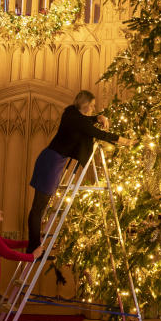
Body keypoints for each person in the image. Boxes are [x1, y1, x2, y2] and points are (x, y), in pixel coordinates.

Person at [27, 90, 133, 256]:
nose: (93, 108)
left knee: (40, 207)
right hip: (50, 163)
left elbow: (85, 120)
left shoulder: (71, 113)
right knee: (38, 207)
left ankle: (34, 247)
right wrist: (126, 141)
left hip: (53, 161)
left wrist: (98, 117)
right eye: (91, 105)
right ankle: (33, 249)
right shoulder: (74, 117)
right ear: (84, 104)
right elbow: (99, 133)